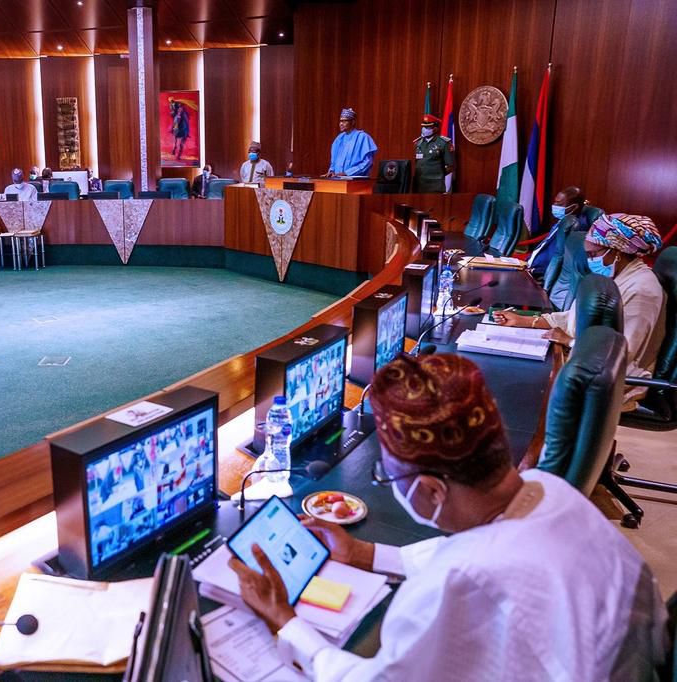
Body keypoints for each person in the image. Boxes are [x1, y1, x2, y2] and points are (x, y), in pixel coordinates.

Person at [229, 353, 668, 680]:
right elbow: (484, 550)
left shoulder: (455, 585)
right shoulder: (550, 490)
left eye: (388, 475)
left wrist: (285, 622)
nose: (389, 483)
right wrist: (363, 553)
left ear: (432, 490)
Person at [495, 213, 665, 407]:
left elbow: (624, 351)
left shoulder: (642, 290)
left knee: (518, 382)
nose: (589, 261)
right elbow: (574, 317)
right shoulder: (615, 276)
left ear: (617, 251)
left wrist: (569, 341)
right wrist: (524, 321)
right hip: (585, 361)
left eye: (593, 254)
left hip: (610, 380)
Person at [527, 186, 589, 279]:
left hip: (539, 273)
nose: (554, 206)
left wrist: (534, 270)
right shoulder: (564, 221)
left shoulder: (575, 227)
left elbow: (557, 259)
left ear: (574, 207)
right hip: (530, 267)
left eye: (559, 204)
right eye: (555, 202)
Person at [326, 108, 377, 177]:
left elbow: (367, 162)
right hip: (337, 180)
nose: (341, 124)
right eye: (340, 121)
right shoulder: (339, 139)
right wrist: (331, 171)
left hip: (355, 180)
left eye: (344, 121)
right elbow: (334, 160)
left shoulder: (363, 137)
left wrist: (347, 173)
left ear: (353, 122)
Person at [412, 114, 454, 193]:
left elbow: (449, 167)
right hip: (420, 185)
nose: (424, 129)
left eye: (428, 127)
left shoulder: (443, 143)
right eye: (423, 127)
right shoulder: (418, 143)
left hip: (436, 185)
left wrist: (437, 175)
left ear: (435, 128)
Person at [168, 96, 191, 161]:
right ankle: (174, 129)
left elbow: (179, 114)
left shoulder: (179, 105)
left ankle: (186, 132)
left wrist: (179, 111)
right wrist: (173, 112)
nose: (171, 102)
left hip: (181, 116)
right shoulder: (172, 105)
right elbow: (173, 112)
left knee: (184, 120)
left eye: (171, 101)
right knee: (176, 120)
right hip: (178, 115)